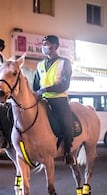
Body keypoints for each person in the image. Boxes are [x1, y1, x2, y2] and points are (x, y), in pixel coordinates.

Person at [32, 35, 75, 165]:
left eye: (48, 44)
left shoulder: (64, 62)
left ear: (56, 46)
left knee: (67, 124)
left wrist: (46, 89)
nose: (45, 47)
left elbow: (65, 84)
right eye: (44, 44)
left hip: (59, 100)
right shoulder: (39, 65)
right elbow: (35, 85)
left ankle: (68, 152)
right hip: (43, 100)